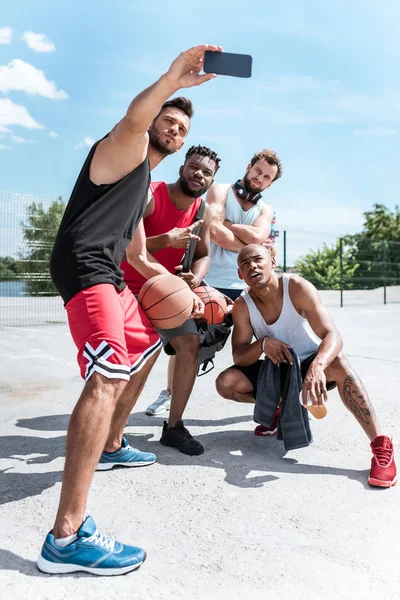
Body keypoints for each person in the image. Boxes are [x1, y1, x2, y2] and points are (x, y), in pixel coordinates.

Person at [38, 44, 222, 577]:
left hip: (115, 271)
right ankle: (66, 538)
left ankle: (114, 442)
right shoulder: (123, 148)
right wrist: (171, 80)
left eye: (182, 128)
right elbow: (133, 119)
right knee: (105, 377)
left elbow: (140, 256)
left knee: (142, 349)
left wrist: (194, 290)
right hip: (86, 265)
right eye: (168, 122)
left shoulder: (141, 186)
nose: (174, 130)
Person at [216, 244, 397, 488]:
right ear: (240, 274)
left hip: (310, 361)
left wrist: (318, 367)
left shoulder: (297, 288)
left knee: (340, 363)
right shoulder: (242, 306)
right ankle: (279, 405)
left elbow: (333, 335)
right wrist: (262, 344)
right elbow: (239, 357)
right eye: (245, 264)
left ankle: (381, 446)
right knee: (226, 383)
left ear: (272, 260)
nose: (252, 266)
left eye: (257, 259)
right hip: (278, 367)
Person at [122, 145, 220, 455]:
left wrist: (195, 277)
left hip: (171, 292)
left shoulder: (201, 210)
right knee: (138, 360)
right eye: (194, 166)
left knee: (190, 344)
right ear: (182, 167)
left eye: (207, 172)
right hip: (132, 289)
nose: (199, 174)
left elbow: (203, 254)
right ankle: (112, 430)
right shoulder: (151, 194)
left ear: (212, 180)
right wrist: (167, 239)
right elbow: (125, 243)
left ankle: (174, 427)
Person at [205, 150, 281, 301]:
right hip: (210, 281)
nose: (259, 178)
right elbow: (213, 231)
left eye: (266, 177)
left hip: (246, 285)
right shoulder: (220, 191)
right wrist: (253, 250)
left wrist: (226, 224)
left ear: (270, 184)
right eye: (258, 171)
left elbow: (256, 237)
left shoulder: (266, 209)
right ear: (248, 167)